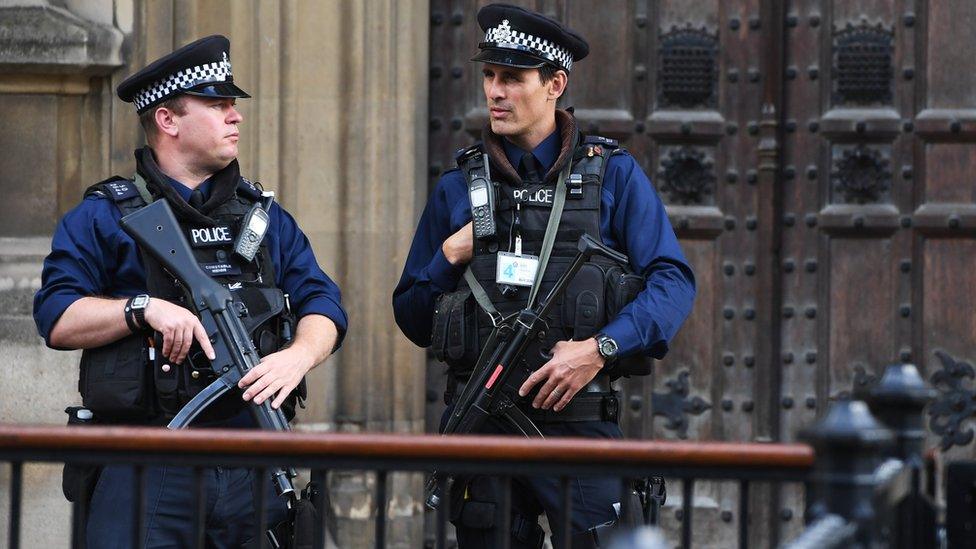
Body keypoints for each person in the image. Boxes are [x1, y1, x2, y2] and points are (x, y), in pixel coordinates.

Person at [393, 4, 696, 548]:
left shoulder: (613, 174)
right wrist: (448, 256)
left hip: (580, 425)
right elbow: (412, 316)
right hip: (484, 431)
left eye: (512, 78)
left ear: (555, 84)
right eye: (489, 76)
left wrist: (600, 347)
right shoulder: (459, 187)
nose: (495, 92)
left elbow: (672, 281)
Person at [33, 35, 347, 548]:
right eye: (218, 104)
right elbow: (56, 316)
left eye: (233, 105)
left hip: (253, 459)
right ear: (168, 120)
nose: (235, 116)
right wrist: (142, 310)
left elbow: (324, 304)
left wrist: (298, 357)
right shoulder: (106, 216)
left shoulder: (263, 219)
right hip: (149, 461)